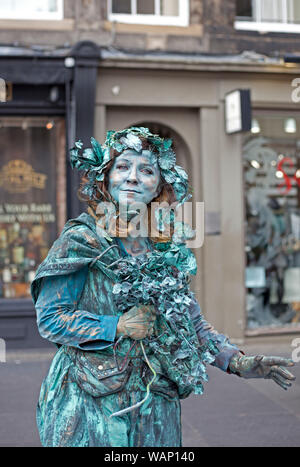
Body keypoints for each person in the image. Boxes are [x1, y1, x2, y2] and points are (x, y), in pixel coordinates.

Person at [31, 127, 296, 447]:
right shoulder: (82, 239)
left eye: (146, 170)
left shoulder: (165, 246)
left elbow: (189, 324)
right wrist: (117, 325)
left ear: (159, 186)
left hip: (155, 402)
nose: (132, 177)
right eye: (123, 166)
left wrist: (238, 362)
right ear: (106, 178)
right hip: (93, 402)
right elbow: (52, 318)